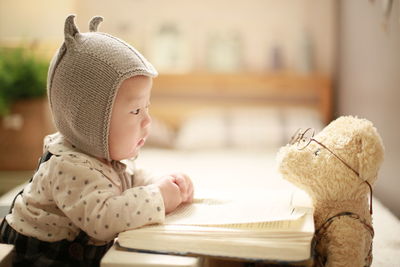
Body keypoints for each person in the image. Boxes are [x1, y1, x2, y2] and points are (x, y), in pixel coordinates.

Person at [0, 15, 194, 266]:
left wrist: (161, 182)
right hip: (38, 258)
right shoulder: (69, 167)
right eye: (136, 111)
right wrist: (158, 197)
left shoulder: (102, 153)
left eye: (147, 107)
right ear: (90, 120)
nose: (148, 121)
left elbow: (129, 177)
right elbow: (103, 220)